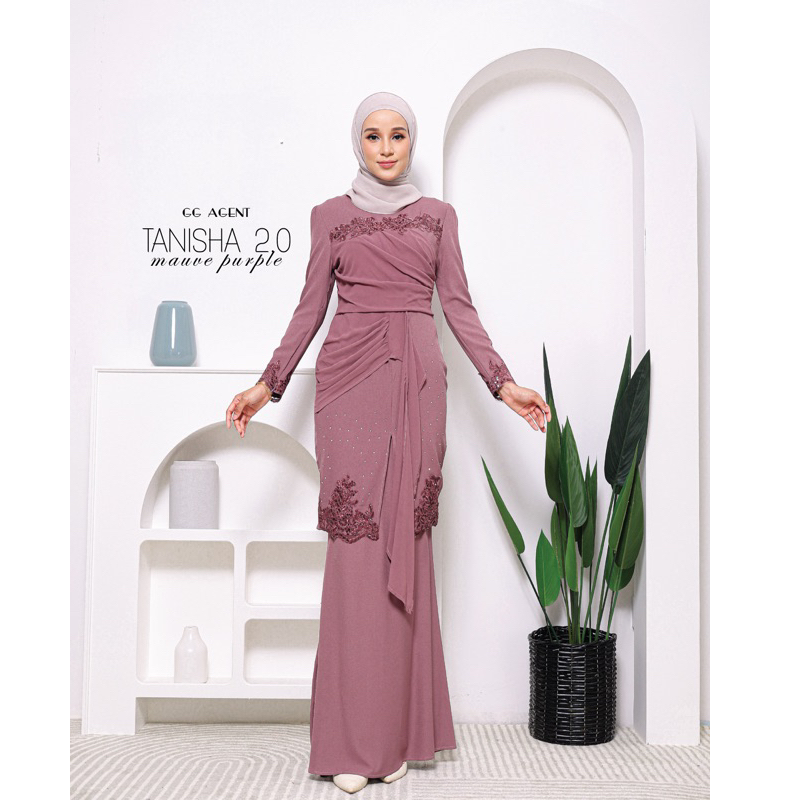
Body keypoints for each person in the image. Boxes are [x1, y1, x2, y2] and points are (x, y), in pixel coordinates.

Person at [226, 91, 550, 793]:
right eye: (372, 136)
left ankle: (398, 736)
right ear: (358, 143)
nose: (385, 148)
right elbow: (309, 310)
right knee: (356, 553)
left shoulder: (439, 218)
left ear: (411, 142)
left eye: (397, 135)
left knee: (410, 541)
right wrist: (266, 385)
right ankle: (351, 742)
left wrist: (504, 384)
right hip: (349, 385)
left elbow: (457, 307)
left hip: (419, 386)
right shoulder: (329, 217)